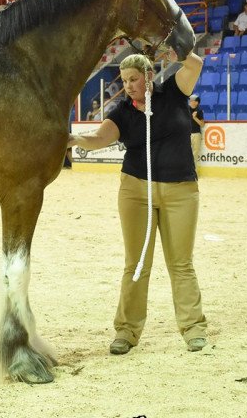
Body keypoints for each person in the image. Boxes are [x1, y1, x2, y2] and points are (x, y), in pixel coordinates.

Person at [68, 50, 208, 355]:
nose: (128, 85)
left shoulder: (173, 91)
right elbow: (99, 138)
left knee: (181, 264)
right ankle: (127, 332)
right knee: (136, 263)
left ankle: (193, 328)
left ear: (148, 76)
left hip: (181, 191)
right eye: (124, 80)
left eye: (133, 79)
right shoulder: (122, 111)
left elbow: (195, 64)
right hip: (135, 191)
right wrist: (77, 140)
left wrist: (179, 49)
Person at [189, 94, 204, 166]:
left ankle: (193, 173)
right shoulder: (186, 109)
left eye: (192, 100)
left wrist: (195, 118)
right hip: (187, 134)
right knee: (185, 153)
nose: (190, 102)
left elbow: (202, 124)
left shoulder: (199, 111)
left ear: (196, 102)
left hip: (196, 134)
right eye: (190, 100)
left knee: (194, 154)